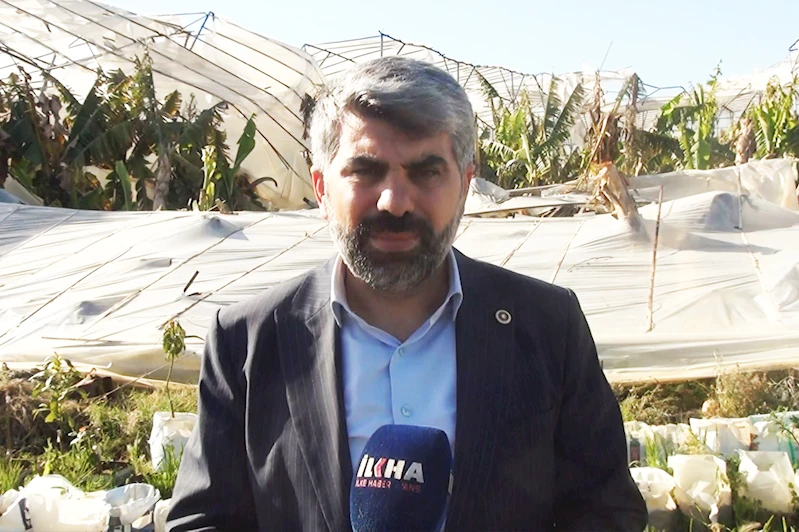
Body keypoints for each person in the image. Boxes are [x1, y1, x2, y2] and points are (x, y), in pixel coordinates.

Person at [167, 56, 647, 531]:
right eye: (366, 171)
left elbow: (607, 511)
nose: (394, 202)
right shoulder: (247, 342)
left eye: (425, 172)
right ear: (321, 188)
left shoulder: (547, 327)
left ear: (465, 185)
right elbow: (202, 521)